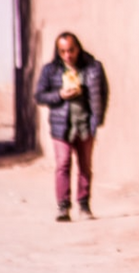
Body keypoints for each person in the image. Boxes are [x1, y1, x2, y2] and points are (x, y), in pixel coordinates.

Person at [35, 32, 108, 222]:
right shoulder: (50, 71)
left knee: (85, 166)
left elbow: (103, 94)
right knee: (63, 164)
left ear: (78, 48)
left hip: (84, 124)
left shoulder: (93, 68)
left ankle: (84, 205)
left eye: (71, 50)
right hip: (62, 126)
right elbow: (40, 95)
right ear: (58, 52)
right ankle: (63, 207)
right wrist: (60, 95)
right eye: (63, 51)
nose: (68, 55)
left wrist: (97, 119)